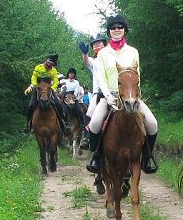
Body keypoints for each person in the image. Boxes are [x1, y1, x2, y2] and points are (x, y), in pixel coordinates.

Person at [85, 14, 158, 175]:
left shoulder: (133, 52)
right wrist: (108, 96)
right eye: (113, 28)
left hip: (130, 97)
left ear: (125, 30)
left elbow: (137, 76)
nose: (116, 30)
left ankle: (147, 158)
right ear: (109, 31)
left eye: (120, 27)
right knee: (95, 122)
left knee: (152, 124)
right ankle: (96, 157)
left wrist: (136, 96)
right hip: (109, 96)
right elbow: (102, 78)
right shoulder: (103, 54)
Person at [25, 53, 68, 135]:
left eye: (53, 65)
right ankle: (28, 125)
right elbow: (33, 77)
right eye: (51, 64)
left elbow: (56, 81)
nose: (51, 66)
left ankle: (62, 123)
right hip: (39, 89)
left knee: (58, 104)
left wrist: (52, 88)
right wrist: (34, 85)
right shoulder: (38, 67)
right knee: (31, 105)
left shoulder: (53, 70)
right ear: (47, 61)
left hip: (49, 90)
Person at [78, 33, 108, 150]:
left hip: (115, 93)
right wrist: (85, 53)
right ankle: (87, 139)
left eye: (99, 43)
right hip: (98, 94)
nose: (97, 45)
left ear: (104, 44)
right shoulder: (94, 61)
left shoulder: (112, 57)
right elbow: (86, 62)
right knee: (90, 112)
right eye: (94, 44)